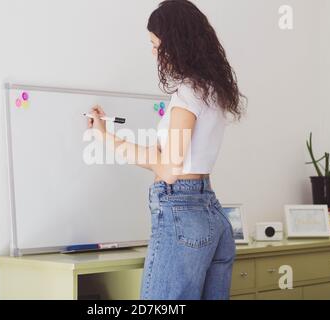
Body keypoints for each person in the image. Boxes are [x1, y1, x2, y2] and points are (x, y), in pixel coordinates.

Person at [87, 0, 246, 300]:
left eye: (155, 44)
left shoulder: (187, 94)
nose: (153, 52)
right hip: (211, 213)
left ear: (175, 44)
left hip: (182, 215)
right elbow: (172, 157)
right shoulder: (214, 91)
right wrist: (109, 134)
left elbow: (170, 169)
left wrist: (106, 138)